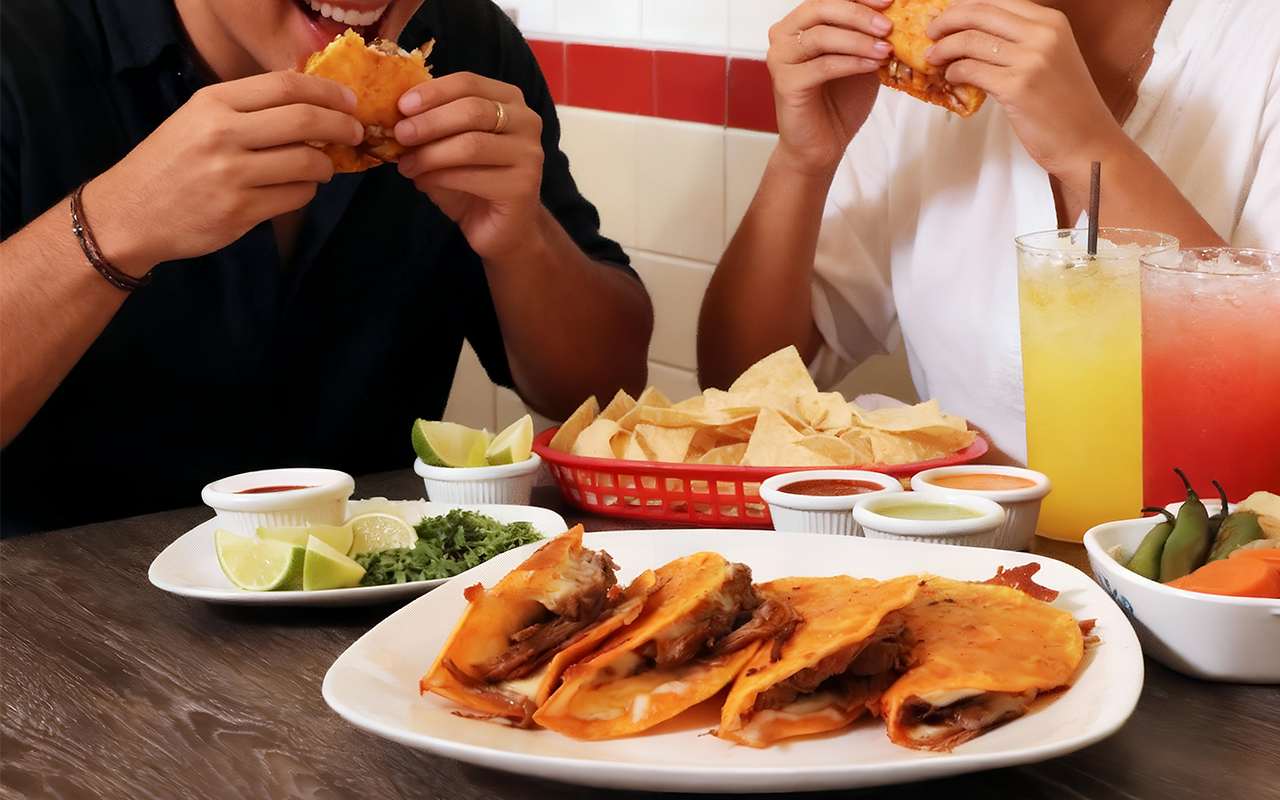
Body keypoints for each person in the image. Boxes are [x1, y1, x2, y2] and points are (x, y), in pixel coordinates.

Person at [0, 0, 654, 533]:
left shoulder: (472, 49)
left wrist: (522, 239)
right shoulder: (23, 43)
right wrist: (116, 223)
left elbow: (599, 392)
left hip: (376, 612)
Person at [698, 0, 1279, 464]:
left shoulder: (1259, 47)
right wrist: (804, 161)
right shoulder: (927, 78)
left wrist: (1090, 149)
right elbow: (739, 388)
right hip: (965, 575)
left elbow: (1263, 415)